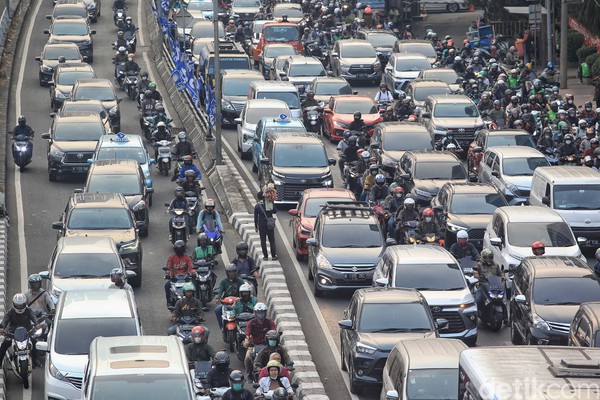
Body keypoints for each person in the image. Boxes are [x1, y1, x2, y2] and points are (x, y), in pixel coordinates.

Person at [0, 294, 41, 367]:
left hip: (27, 332)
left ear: (25, 304)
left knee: (35, 343)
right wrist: (2, 328)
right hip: (12, 334)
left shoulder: (28, 310)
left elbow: (33, 317)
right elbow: (5, 320)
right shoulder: (10, 312)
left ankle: (35, 360)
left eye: (21, 305)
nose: (20, 307)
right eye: (18, 305)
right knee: (4, 345)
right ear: (14, 304)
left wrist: (37, 323)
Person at [473, 248, 507, 324]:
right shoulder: (479, 265)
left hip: (495, 285)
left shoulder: (496, 265)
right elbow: (475, 272)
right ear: (483, 257)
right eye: (486, 257)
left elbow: (500, 273)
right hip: (483, 285)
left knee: (503, 301)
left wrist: (503, 277)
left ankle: (506, 319)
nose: (488, 259)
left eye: (490, 257)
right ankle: (474, 319)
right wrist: (477, 277)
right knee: (477, 300)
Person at [243, 302, 276, 380]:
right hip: (254, 345)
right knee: (248, 358)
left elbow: (274, 331)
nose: (260, 314)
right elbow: (247, 332)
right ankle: (249, 374)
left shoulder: (269, 322)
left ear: (265, 312)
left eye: (262, 312)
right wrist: (247, 340)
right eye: (258, 312)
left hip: (268, 345)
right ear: (255, 313)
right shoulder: (251, 322)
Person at [214, 264, 245, 329]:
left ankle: (242, 326)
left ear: (236, 272)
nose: (231, 274)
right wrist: (217, 298)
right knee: (217, 310)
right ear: (227, 273)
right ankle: (222, 327)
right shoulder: (224, 281)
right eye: (230, 272)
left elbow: (244, 290)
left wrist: (242, 298)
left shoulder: (240, 281)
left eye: (233, 272)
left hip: (238, 302)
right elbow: (220, 289)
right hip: (226, 303)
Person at [164, 240, 195, 306]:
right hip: (174, 278)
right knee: (167, 285)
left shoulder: (187, 258)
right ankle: (169, 302)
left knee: (194, 285)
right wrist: (167, 274)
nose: (179, 251)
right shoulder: (172, 258)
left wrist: (193, 273)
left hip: (185, 278)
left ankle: (195, 302)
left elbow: (191, 267)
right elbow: (168, 267)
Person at [254, 192, 277, 261]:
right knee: (272, 240)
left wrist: (256, 226)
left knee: (263, 241)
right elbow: (275, 211)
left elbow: (255, 218)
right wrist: (272, 202)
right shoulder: (269, 203)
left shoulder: (257, 206)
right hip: (270, 224)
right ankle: (273, 256)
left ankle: (265, 256)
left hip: (261, 225)